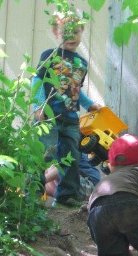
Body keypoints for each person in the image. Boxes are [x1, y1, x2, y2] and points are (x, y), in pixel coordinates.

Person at [32, 6, 101, 206]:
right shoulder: (49, 56)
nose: (71, 36)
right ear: (56, 32)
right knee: (45, 154)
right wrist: (38, 106)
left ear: (82, 32)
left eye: (76, 32)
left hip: (70, 118)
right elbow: (37, 81)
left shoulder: (81, 62)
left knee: (71, 156)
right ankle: (35, 194)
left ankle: (67, 195)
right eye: (66, 32)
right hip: (48, 116)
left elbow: (75, 89)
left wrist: (89, 105)